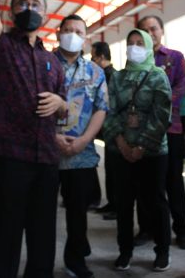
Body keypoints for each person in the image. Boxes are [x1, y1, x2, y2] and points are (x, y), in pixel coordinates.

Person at [0, 0, 67, 278]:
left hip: (47, 157)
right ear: (11, 12)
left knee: (43, 232)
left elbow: (66, 107)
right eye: (22, 4)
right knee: (6, 231)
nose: (29, 9)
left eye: (36, 5)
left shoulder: (52, 60)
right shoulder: (1, 47)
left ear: (46, 14)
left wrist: (60, 102)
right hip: (12, 155)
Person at [102, 29, 172, 272]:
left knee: (156, 202)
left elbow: (162, 115)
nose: (134, 47)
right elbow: (108, 111)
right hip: (120, 150)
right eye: (130, 43)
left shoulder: (158, 76)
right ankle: (125, 251)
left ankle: (162, 251)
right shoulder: (117, 77)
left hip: (152, 152)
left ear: (149, 47)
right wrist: (122, 143)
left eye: (140, 43)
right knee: (123, 203)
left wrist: (141, 146)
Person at [54, 15, 108, 278]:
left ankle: (75, 260)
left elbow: (101, 108)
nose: (72, 35)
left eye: (78, 31)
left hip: (81, 153)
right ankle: (40, 261)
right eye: (67, 30)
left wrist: (85, 140)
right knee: (41, 212)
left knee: (77, 212)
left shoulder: (95, 72)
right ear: (58, 33)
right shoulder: (44, 65)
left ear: (86, 38)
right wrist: (52, 136)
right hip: (47, 152)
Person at [137, 15, 185, 249]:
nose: (150, 33)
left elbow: (182, 86)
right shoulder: (136, 61)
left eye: (153, 28)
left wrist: (160, 102)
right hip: (144, 132)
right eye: (144, 30)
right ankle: (147, 229)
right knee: (146, 182)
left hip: (171, 128)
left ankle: (182, 230)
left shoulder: (175, 57)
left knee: (173, 181)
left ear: (161, 30)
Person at [91, 41, 117, 220]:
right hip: (107, 130)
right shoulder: (104, 74)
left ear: (101, 57)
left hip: (113, 128)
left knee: (115, 170)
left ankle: (117, 206)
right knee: (109, 167)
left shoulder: (111, 76)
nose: (92, 61)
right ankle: (111, 202)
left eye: (93, 57)